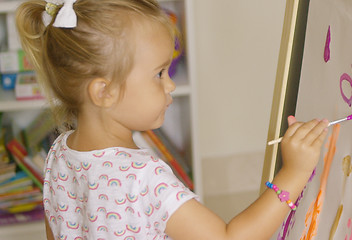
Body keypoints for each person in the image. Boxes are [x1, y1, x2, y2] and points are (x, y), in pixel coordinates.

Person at [16, 0, 329, 239]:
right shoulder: (143, 177)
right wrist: (294, 172)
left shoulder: (59, 152)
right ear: (104, 92)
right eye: (159, 73)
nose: (170, 85)